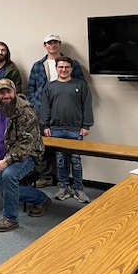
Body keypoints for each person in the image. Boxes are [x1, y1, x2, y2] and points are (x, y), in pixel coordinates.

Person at [0, 79, 51, 232]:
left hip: (28, 153)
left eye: (8, 91)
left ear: (14, 91)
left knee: (8, 177)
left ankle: (10, 218)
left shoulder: (26, 111)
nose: (6, 95)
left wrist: (6, 162)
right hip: (6, 153)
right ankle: (41, 199)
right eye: (2, 92)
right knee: (5, 189)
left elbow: (26, 143)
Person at [27, 33, 85, 188]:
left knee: (67, 151)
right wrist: (37, 105)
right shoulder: (38, 65)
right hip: (43, 113)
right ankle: (46, 177)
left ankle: (63, 180)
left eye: (55, 42)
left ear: (59, 44)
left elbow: (81, 86)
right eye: (49, 43)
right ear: (45, 46)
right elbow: (30, 90)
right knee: (44, 148)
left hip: (66, 115)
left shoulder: (72, 64)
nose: (52, 45)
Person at [40, 56, 94, 203]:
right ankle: (64, 186)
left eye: (66, 67)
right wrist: (45, 126)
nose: (63, 70)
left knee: (75, 160)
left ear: (71, 69)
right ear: (56, 68)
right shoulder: (50, 87)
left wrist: (86, 125)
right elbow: (45, 108)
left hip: (75, 129)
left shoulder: (80, 85)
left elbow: (87, 105)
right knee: (60, 160)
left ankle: (78, 188)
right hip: (56, 129)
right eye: (60, 67)